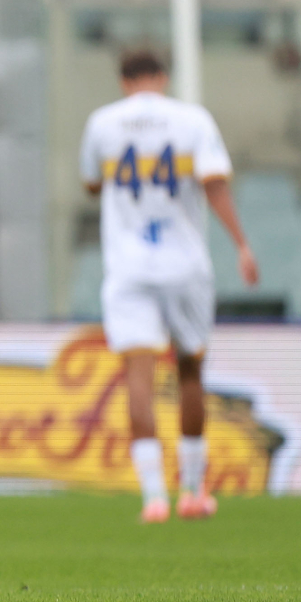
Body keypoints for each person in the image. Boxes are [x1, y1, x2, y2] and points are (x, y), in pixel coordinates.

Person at [80, 50, 259, 523]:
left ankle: (153, 498)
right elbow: (215, 184)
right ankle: (194, 493)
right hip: (184, 266)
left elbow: (92, 184)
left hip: (128, 268)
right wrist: (241, 244)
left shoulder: (102, 123)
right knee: (190, 373)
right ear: (161, 77)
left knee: (137, 377)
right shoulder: (192, 120)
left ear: (124, 81)